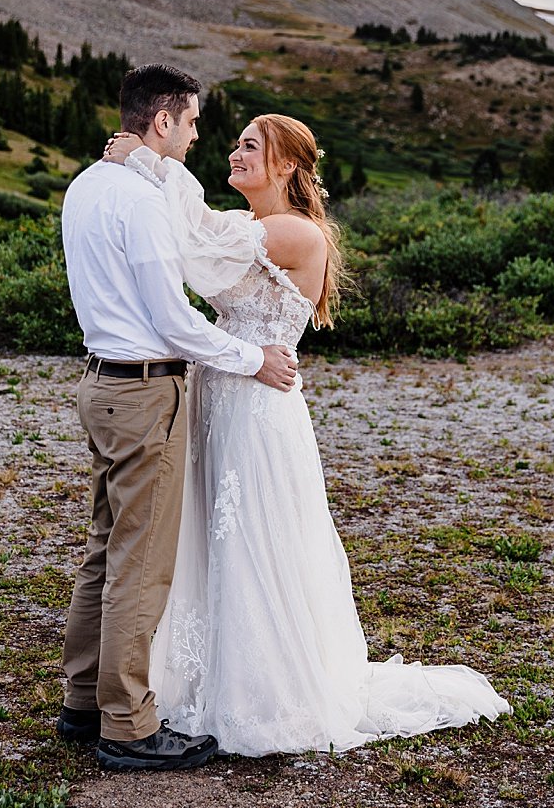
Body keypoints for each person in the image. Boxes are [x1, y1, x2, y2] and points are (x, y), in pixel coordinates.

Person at [103, 113, 508, 757]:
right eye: (235, 143)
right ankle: (210, 675)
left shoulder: (292, 233)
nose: (235, 153)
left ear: (288, 166)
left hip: (257, 412)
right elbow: (203, 236)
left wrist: (150, 162)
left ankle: (264, 693)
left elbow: (195, 253)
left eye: (251, 146)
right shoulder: (253, 228)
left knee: (252, 538)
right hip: (223, 398)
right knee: (212, 535)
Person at [59, 65, 299, 772]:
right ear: (161, 121)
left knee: (105, 547)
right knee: (141, 560)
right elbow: (173, 318)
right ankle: (128, 726)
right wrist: (251, 357)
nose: (198, 137)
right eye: (191, 122)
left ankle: (80, 700)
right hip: (142, 393)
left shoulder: (85, 186)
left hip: (100, 384)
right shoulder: (138, 201)